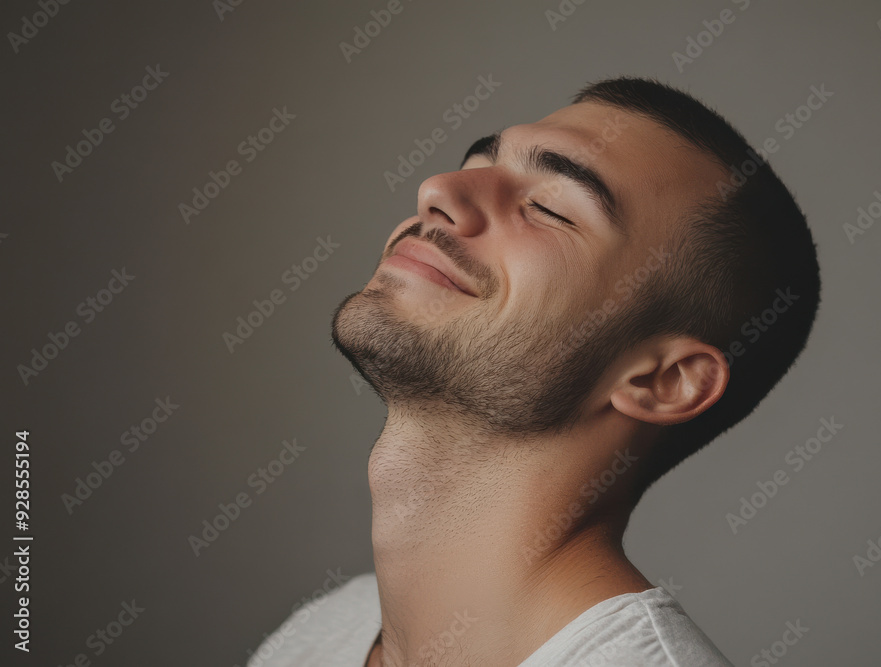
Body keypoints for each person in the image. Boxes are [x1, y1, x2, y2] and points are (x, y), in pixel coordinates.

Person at [250, 75, 820, 666]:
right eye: (475, 163)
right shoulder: (321, 634)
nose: (437, 190)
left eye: (548, 208)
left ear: (662, 381)